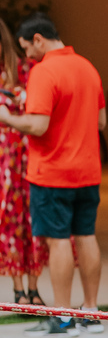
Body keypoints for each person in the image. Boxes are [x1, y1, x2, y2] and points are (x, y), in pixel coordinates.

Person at [0, 13, 105, 336]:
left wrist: (6, 117)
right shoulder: (88, 67)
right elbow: (101, 122)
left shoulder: (45, 71)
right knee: (86, 237)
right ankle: (90, 311)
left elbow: (38, 124)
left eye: (27, 49)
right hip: (88, 171)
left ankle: (62, 317)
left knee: (58, 242)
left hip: (52, 174)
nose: (27, 57)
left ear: (39, 40)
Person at [0, 17, 45, 310]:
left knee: (32, 218)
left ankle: (33, 286)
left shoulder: (28, 69)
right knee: (9, 219)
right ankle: (18, 288)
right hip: (4, 156)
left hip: (28, 151)